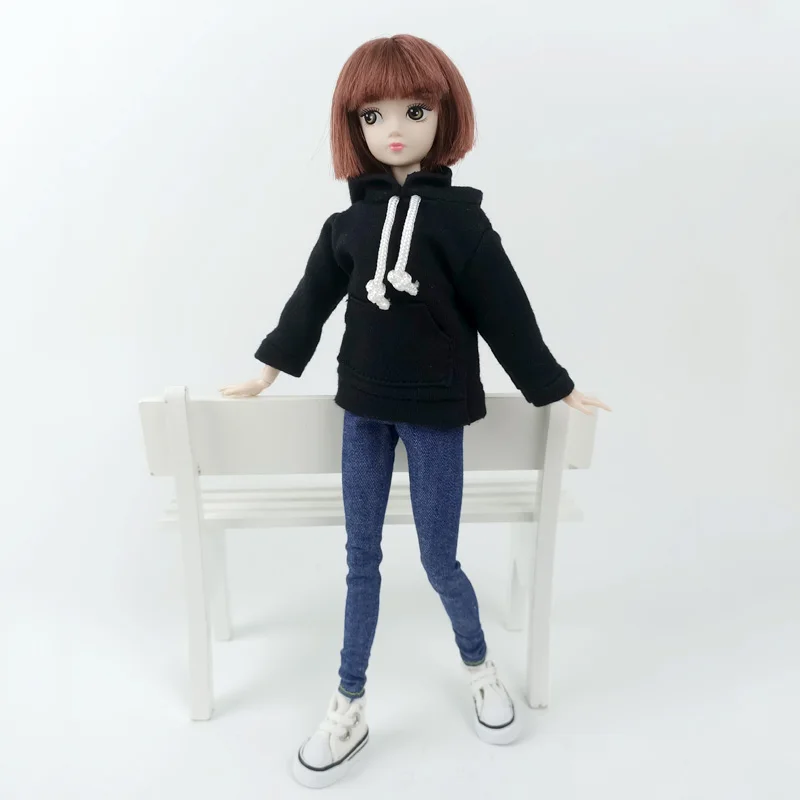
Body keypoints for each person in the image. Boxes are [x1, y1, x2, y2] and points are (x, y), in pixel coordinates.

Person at [221, 33, 611, 789]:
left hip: (434, 414)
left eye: (415, 110)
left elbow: (506, 312)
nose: (393, 128)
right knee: (360, 561)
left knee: (439, 559)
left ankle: (479, 666)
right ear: (354, 126)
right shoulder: (345, 227)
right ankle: (349, 701)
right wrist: (266, 370)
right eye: (372, 116)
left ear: (444, 115)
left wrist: (554, 383)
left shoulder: (461, 223)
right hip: (363, 412)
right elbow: (308, 305)